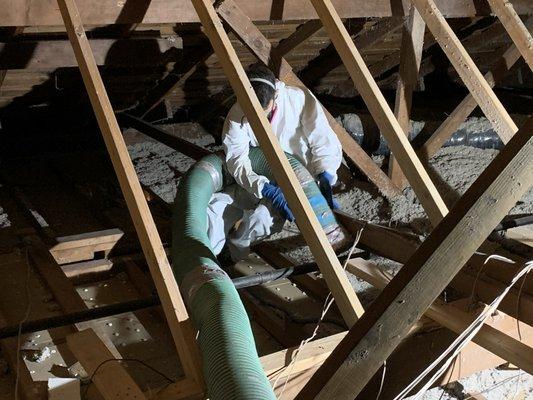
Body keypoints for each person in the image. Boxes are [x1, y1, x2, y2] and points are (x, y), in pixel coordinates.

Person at [207, 63, 342, 261]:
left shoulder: (299, 100)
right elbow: (237, 160)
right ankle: (215, 258)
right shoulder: (236, 115)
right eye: (255, 115)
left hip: (302, 180)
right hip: (261, 176)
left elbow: (322, 139)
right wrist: (267, 189)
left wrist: (325, 174)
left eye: (265, 111)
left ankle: (237, 247)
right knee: (215, 207)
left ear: (275, 96)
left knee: (260, 220)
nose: (261, 118)